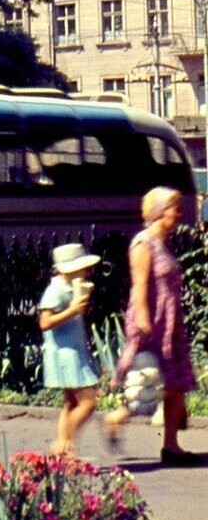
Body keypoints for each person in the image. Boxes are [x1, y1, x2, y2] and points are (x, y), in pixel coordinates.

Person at [105, 187, 198, 466]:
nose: (180, 214)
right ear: (159, 212)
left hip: (170, 323)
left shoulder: (163, 243)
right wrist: (144, 321)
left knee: (175, 383)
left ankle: (171, 446)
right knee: (148, 381)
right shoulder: (143, 243)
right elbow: (140, 284)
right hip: (151, 323)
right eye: (175, 209)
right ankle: (116, 417)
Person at [38, 241, 102, 455]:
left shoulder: (69, 288)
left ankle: (63, 451)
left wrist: (78, 306)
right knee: (89, 401)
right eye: (83, 268)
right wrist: (73, 309)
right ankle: (64, 443)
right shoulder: (55, 290)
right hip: (66, 354)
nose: (87, 272)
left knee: (71, 402)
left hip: (72, 349)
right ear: (71, 269)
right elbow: (45, 322)